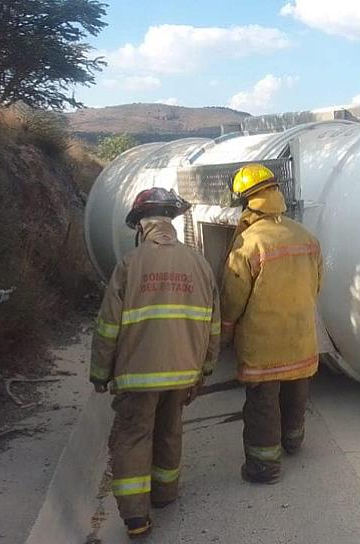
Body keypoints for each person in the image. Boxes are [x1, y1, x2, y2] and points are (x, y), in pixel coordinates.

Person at [89, 187, 220, 539]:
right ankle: (164, 495)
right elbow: (213, 324)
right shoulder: (199, 263)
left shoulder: (130, 265)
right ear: (170, 223)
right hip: (184, 373)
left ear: (140, 226)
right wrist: (205, 368)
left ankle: (136, 518)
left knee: (132, 437)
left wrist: (100, 373)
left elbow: (108, 326)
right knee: (169, 430)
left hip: (137, 376)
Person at [220, 163, 323, 484]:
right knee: (296, 392)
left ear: (246, 202)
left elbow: (232, 299)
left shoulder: (248, 243)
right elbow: (318, 283)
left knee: (263, 404)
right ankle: (293, 441)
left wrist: (223, 333)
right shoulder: (305, 236)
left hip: (263, 345)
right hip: (301, 338)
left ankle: (264, 466)